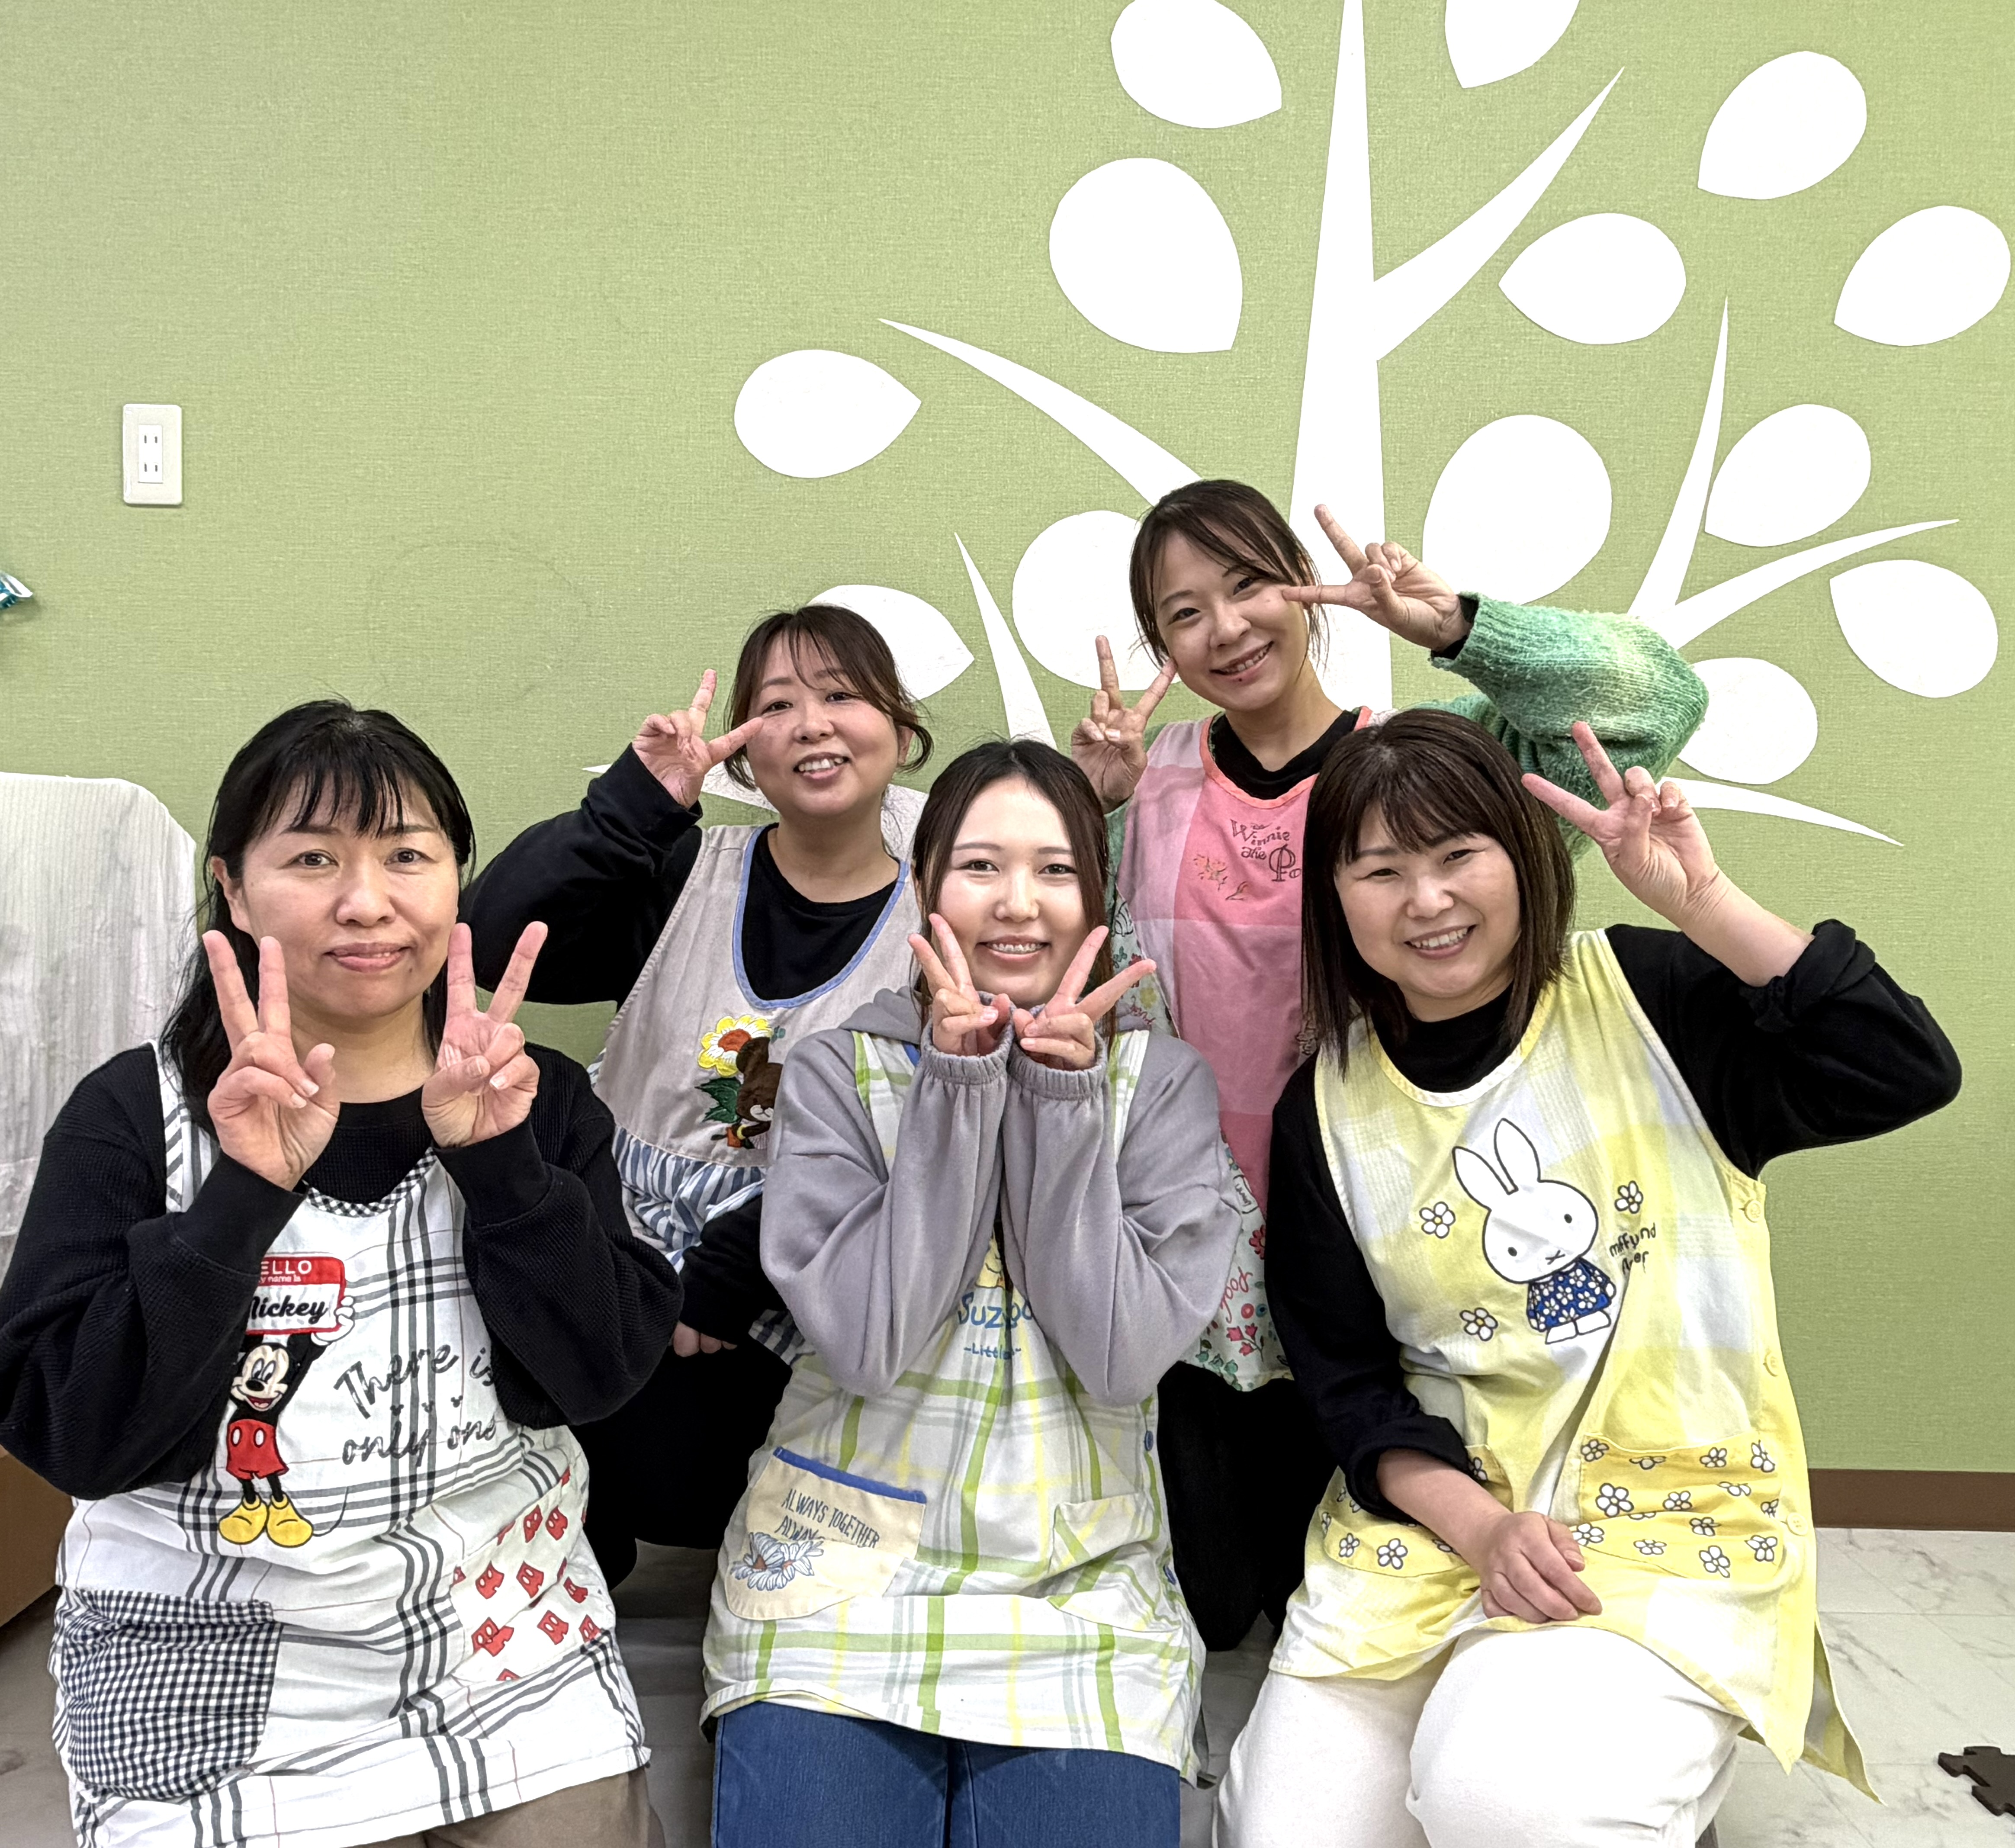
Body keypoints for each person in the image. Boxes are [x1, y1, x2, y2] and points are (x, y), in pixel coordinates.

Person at [1215, 710, 1960, 1848]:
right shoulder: (1323, 1103)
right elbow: (1347, 1381)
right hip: (1437, 1523)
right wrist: (1481, 1529)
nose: (1428, 900)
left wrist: (1702, 903)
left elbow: (1901, 1066)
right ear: (1335, 898)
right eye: (1383, 869)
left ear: (1519, 855)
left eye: (1458, 854)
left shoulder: (1645, 995)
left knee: (1502, 1803)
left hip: (1663, 1510)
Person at [0, 701, 681, 1848]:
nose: (367, 902)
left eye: (407, 856)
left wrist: (503, 1172)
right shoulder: (133, 1116)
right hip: (202, 1642)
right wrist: (242, 1197)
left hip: (501, 1630)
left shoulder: (533, 1100)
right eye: (313, 859)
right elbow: (76, 1434)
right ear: (233, 886)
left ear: (455, 879)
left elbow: (604, 1373)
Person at [1072, 480, 1711, 1652]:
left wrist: (1456, 625)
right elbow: (1070, 965)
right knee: (1212, 1608)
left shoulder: (1418, 768)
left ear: (1303, 589)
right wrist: (1095, 807)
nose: (1226, 628)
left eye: (1249, 585)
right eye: (1183, 613)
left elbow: (1655, 699)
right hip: (1191, 1267)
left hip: (1390, 1259)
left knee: (1381, 1593)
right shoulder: (1146, 783)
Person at [703, 740, 1241, 1848]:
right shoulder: (836, 1070)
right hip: (833, 1569)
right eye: (981, 867)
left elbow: (1119, 1355)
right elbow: (870, 1342)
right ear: (923, 888)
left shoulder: (1161, 1087)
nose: (1018, 903)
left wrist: (1058, 1099)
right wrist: (955, 1087)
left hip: (1082, 1585)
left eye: (1056, 870)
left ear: (1098, 897)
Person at [461, 604, 930, 1581]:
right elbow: (494, 941)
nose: (812, 724)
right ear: (744, 753)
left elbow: (936, 1144)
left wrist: (736, 1268)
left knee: (719, 1490)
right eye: (778, 705)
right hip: (616, 1271)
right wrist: (636, 805)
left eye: (842, 695)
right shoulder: (682, 871)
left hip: (803, 1282)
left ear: (900, 724)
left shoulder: (944, 916)